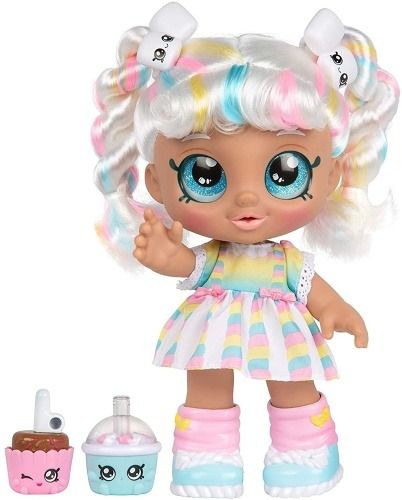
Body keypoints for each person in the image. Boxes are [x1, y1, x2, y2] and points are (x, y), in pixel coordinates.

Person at [91, 3, 399, 497]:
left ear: (332, 175)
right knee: (207, 382)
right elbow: (192, 264)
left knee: (294, 380)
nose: (247, 199)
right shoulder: (215, 256)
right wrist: (166, 257)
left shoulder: (285, 261)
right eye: (205, 175)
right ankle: (205, 459)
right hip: (213, 323)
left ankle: (305, 455)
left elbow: (309, 283)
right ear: (156, 182)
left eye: (284, 172)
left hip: (282, 326)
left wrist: (334, 307)